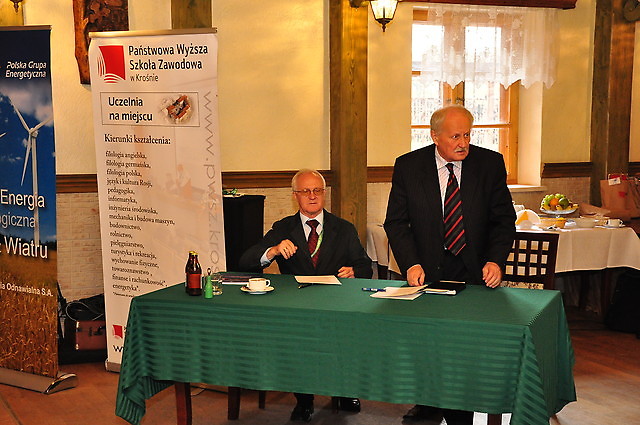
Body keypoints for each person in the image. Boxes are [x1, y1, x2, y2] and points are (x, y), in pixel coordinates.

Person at [384, 105, 516, 424]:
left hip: (473, 270)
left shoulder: (489, 164)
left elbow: (503, 221)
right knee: (427, 341)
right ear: (435, 136)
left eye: (467, 135)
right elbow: (396, 223)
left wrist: (495, 260)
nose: (463, 143)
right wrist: (410, 263)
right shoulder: (409, 166)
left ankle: (462, 409)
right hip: (427, 270)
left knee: (464, 347)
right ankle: (428, 402)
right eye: (455, 136)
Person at [239, 168, 372, 422]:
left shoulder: (343, 228)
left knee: (346, 337)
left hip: (335, 305)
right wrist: (273, 250)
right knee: (296, 342)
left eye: (317, 190)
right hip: (298, 307)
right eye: (306, 191)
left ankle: (344, 391)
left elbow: (364, 264)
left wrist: (355, 271)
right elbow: (246, 261)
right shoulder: (283, 228)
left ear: (324, 194)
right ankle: (304, 399)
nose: (312, 196)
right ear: (295, 196)